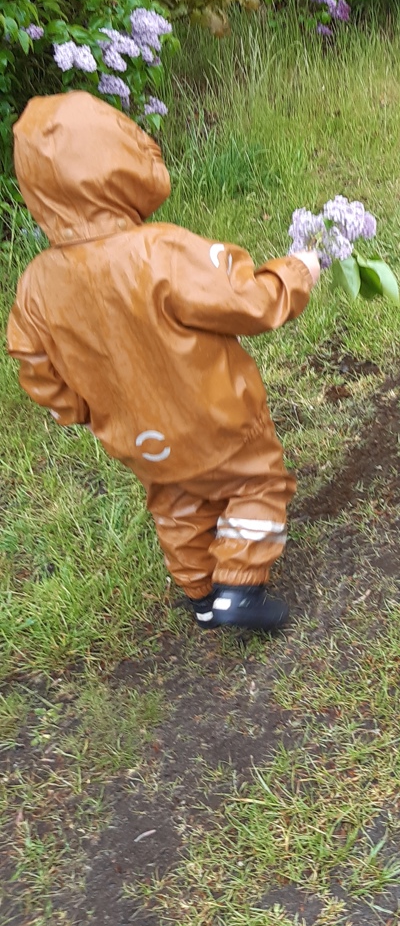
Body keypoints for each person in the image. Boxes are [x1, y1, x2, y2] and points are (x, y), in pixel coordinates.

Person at [5, 91, 320, 630]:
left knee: (175, 501)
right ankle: (239, 588)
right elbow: (246, 301)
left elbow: (32, 361)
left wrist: (80, 409)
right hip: (217, 420)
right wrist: (296, 273)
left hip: (139, 438)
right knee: (257, 483)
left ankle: (199, 593)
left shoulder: (36, 286)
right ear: (118, 163)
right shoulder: (158, 253)